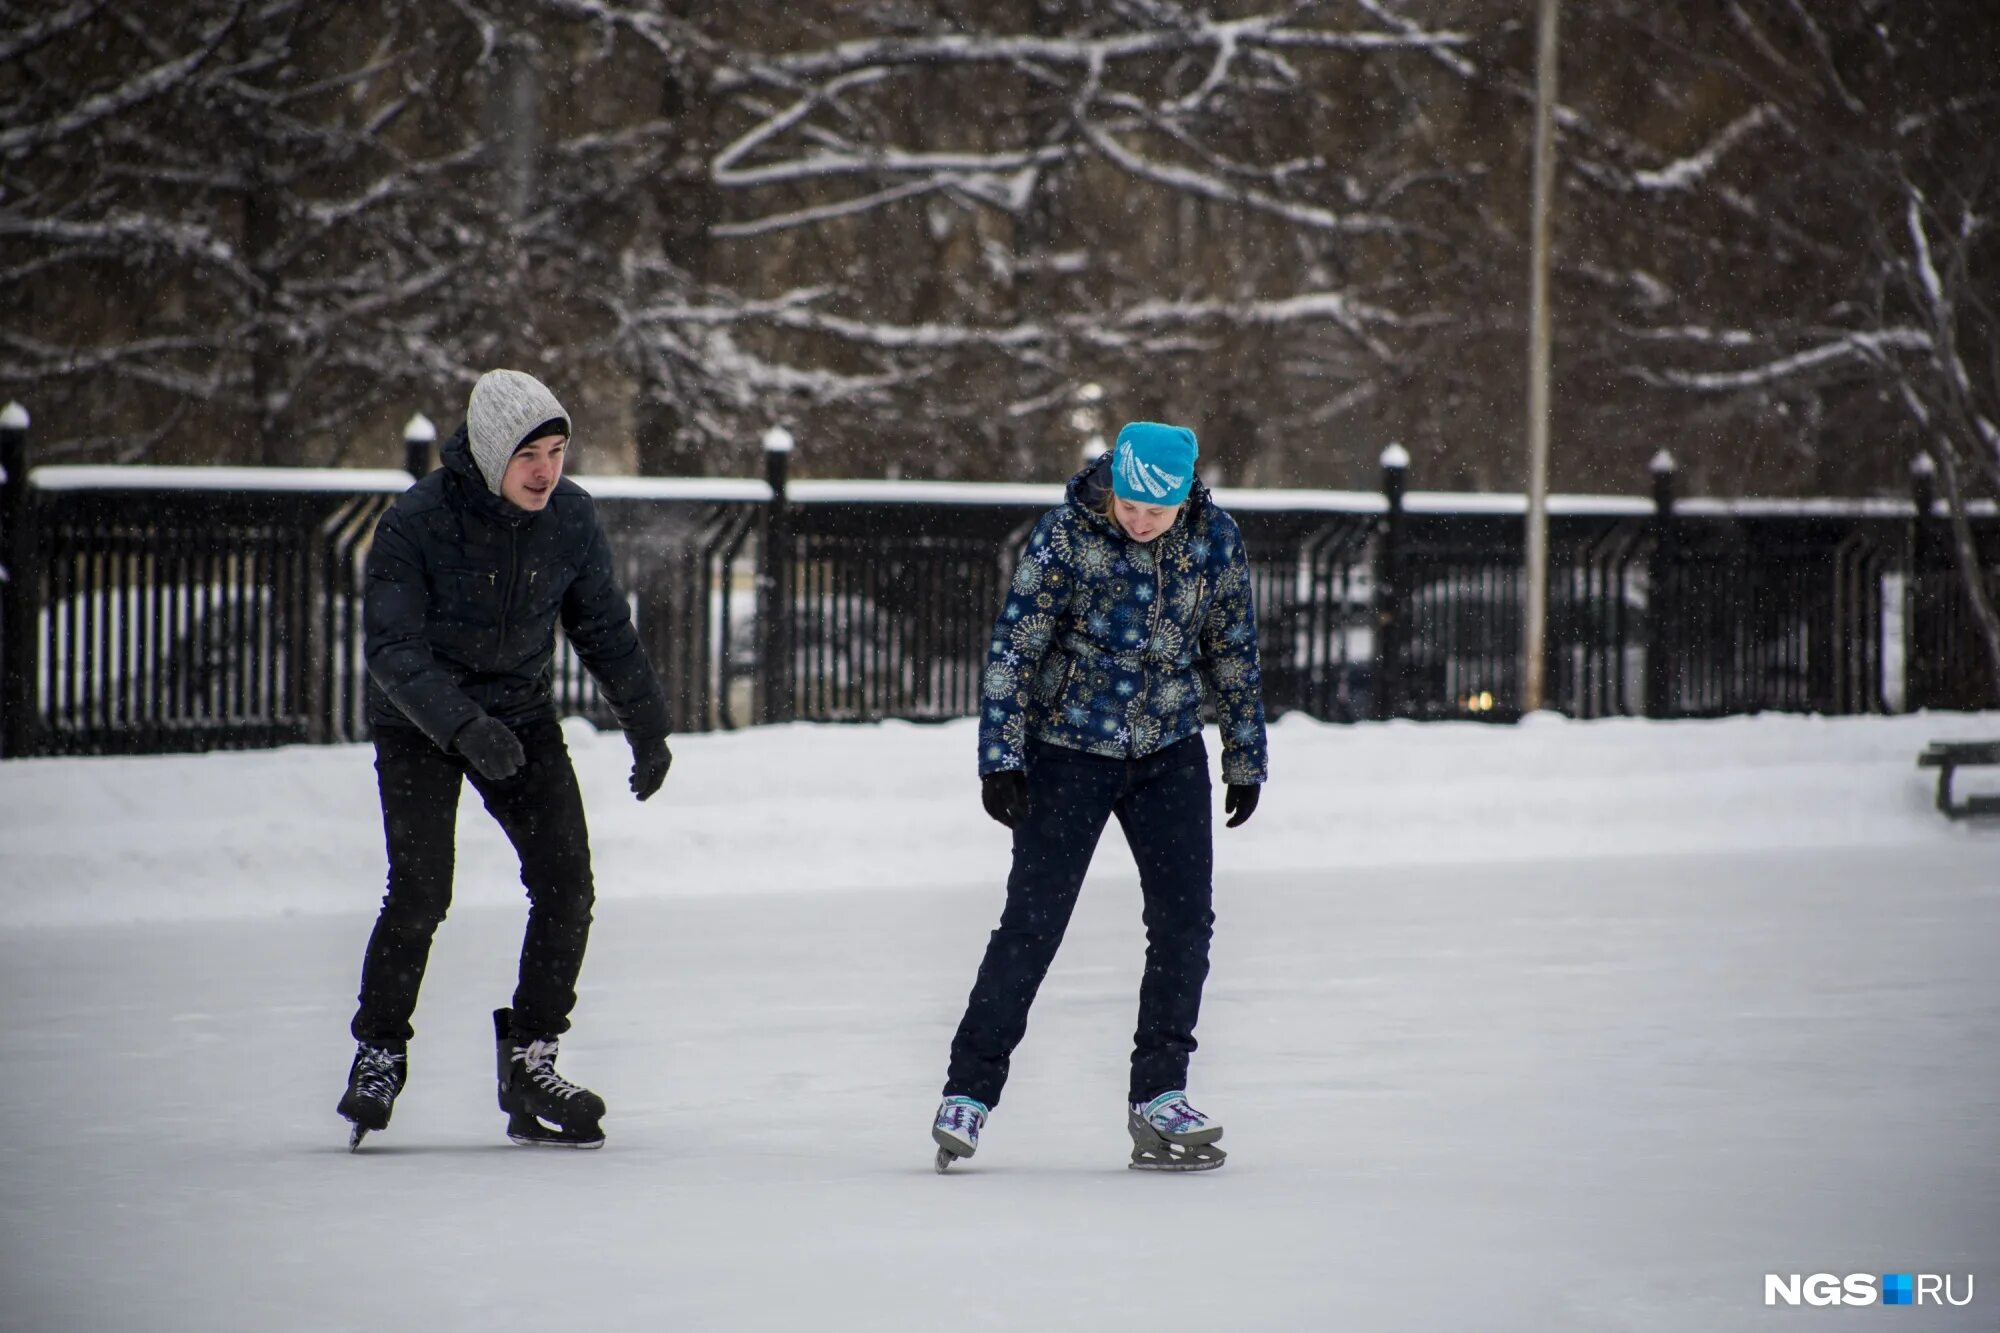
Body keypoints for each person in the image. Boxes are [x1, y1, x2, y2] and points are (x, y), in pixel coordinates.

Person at [336, 368, 674, 1150]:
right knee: (421, 890)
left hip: (519, 714)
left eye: (556, 452)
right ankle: (379, 1050)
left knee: (567, 883)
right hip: (420, 721)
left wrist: (647, 727)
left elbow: (604, 629)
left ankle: (531, 1058)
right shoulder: (416, 521)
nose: (546, 470)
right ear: (492, 452)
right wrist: (461, 725)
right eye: (529, 454)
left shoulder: (571, 518)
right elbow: (391, 648)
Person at [932, 420, 1268, 1172]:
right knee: (1033, 924)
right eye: (1130, 505)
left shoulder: (1215, 540)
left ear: (1184, 499)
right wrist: (1001, 758)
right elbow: (1016, 645)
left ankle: (1160, 1094)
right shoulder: (1066, 535)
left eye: (1157, 510)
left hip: (1169, 751)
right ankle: (968, 1092)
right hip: (1068, 750)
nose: (1140, 521)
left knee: (1184, 924)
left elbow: (1232, 648)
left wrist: (1244, 755)